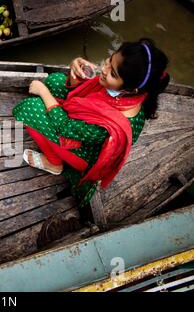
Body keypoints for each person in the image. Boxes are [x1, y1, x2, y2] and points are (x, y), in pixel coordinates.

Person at [12, 38, 170, 245]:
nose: (104, 70)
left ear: (130, 90)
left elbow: (65, 127)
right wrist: (76, 73)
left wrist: (43, 93)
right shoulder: (123, 91)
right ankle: (51, 106)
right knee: (56, 81)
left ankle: (55, 163)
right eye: (109, 61)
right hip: (80, 127)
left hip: (83, 155)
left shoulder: (114, 125)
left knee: (30, 108)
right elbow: (86, 92)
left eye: (112, 73)